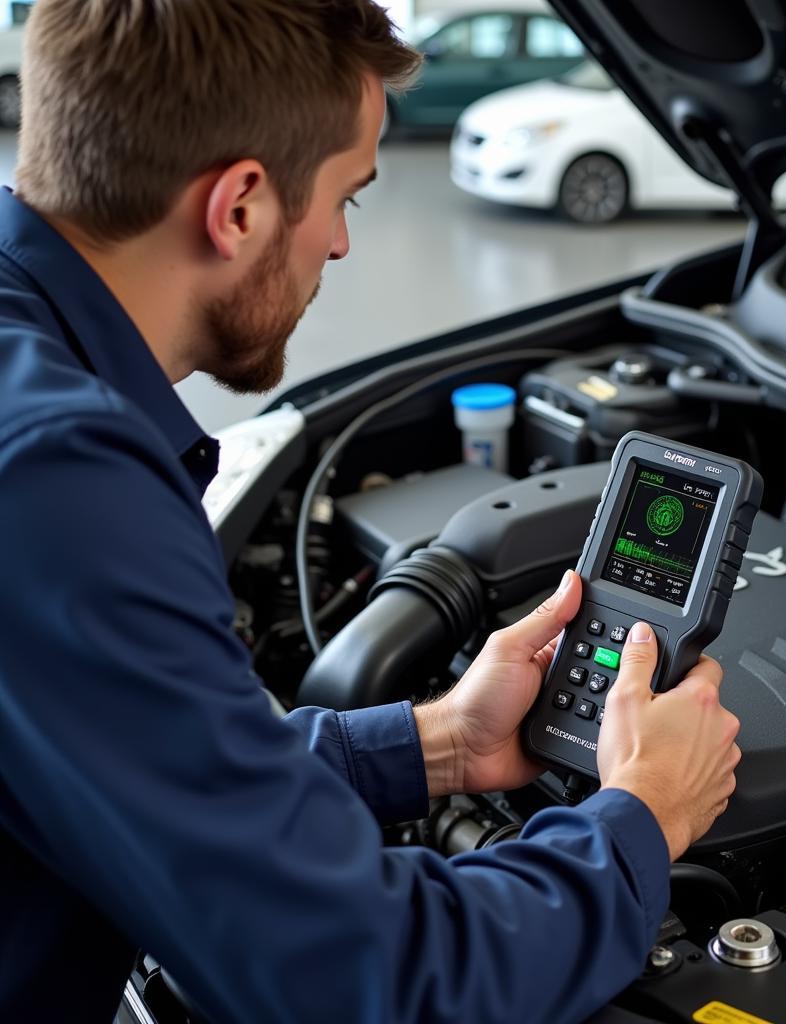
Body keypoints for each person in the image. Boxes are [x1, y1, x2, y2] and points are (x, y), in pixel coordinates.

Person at [0, 2, 741, 1022]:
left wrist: (436, 742)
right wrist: (644, 817)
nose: (344, 246)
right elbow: (369, 979)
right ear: (241, 206)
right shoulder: (58, 485)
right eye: (347, 196)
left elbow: (129, 767)